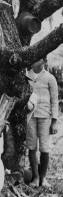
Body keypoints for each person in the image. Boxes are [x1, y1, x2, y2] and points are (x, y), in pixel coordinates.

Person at [26, 57, 59, 187]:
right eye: (34, 59)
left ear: (44, 61)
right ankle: (35, 177)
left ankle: (43, 178)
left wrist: (54, 121)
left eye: (38, 59)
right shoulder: (26, 76)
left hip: (45, 117)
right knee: (32, 146)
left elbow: (55, 100)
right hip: (30, 116)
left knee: (45, 148)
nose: (35, 62)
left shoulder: (50, 78)